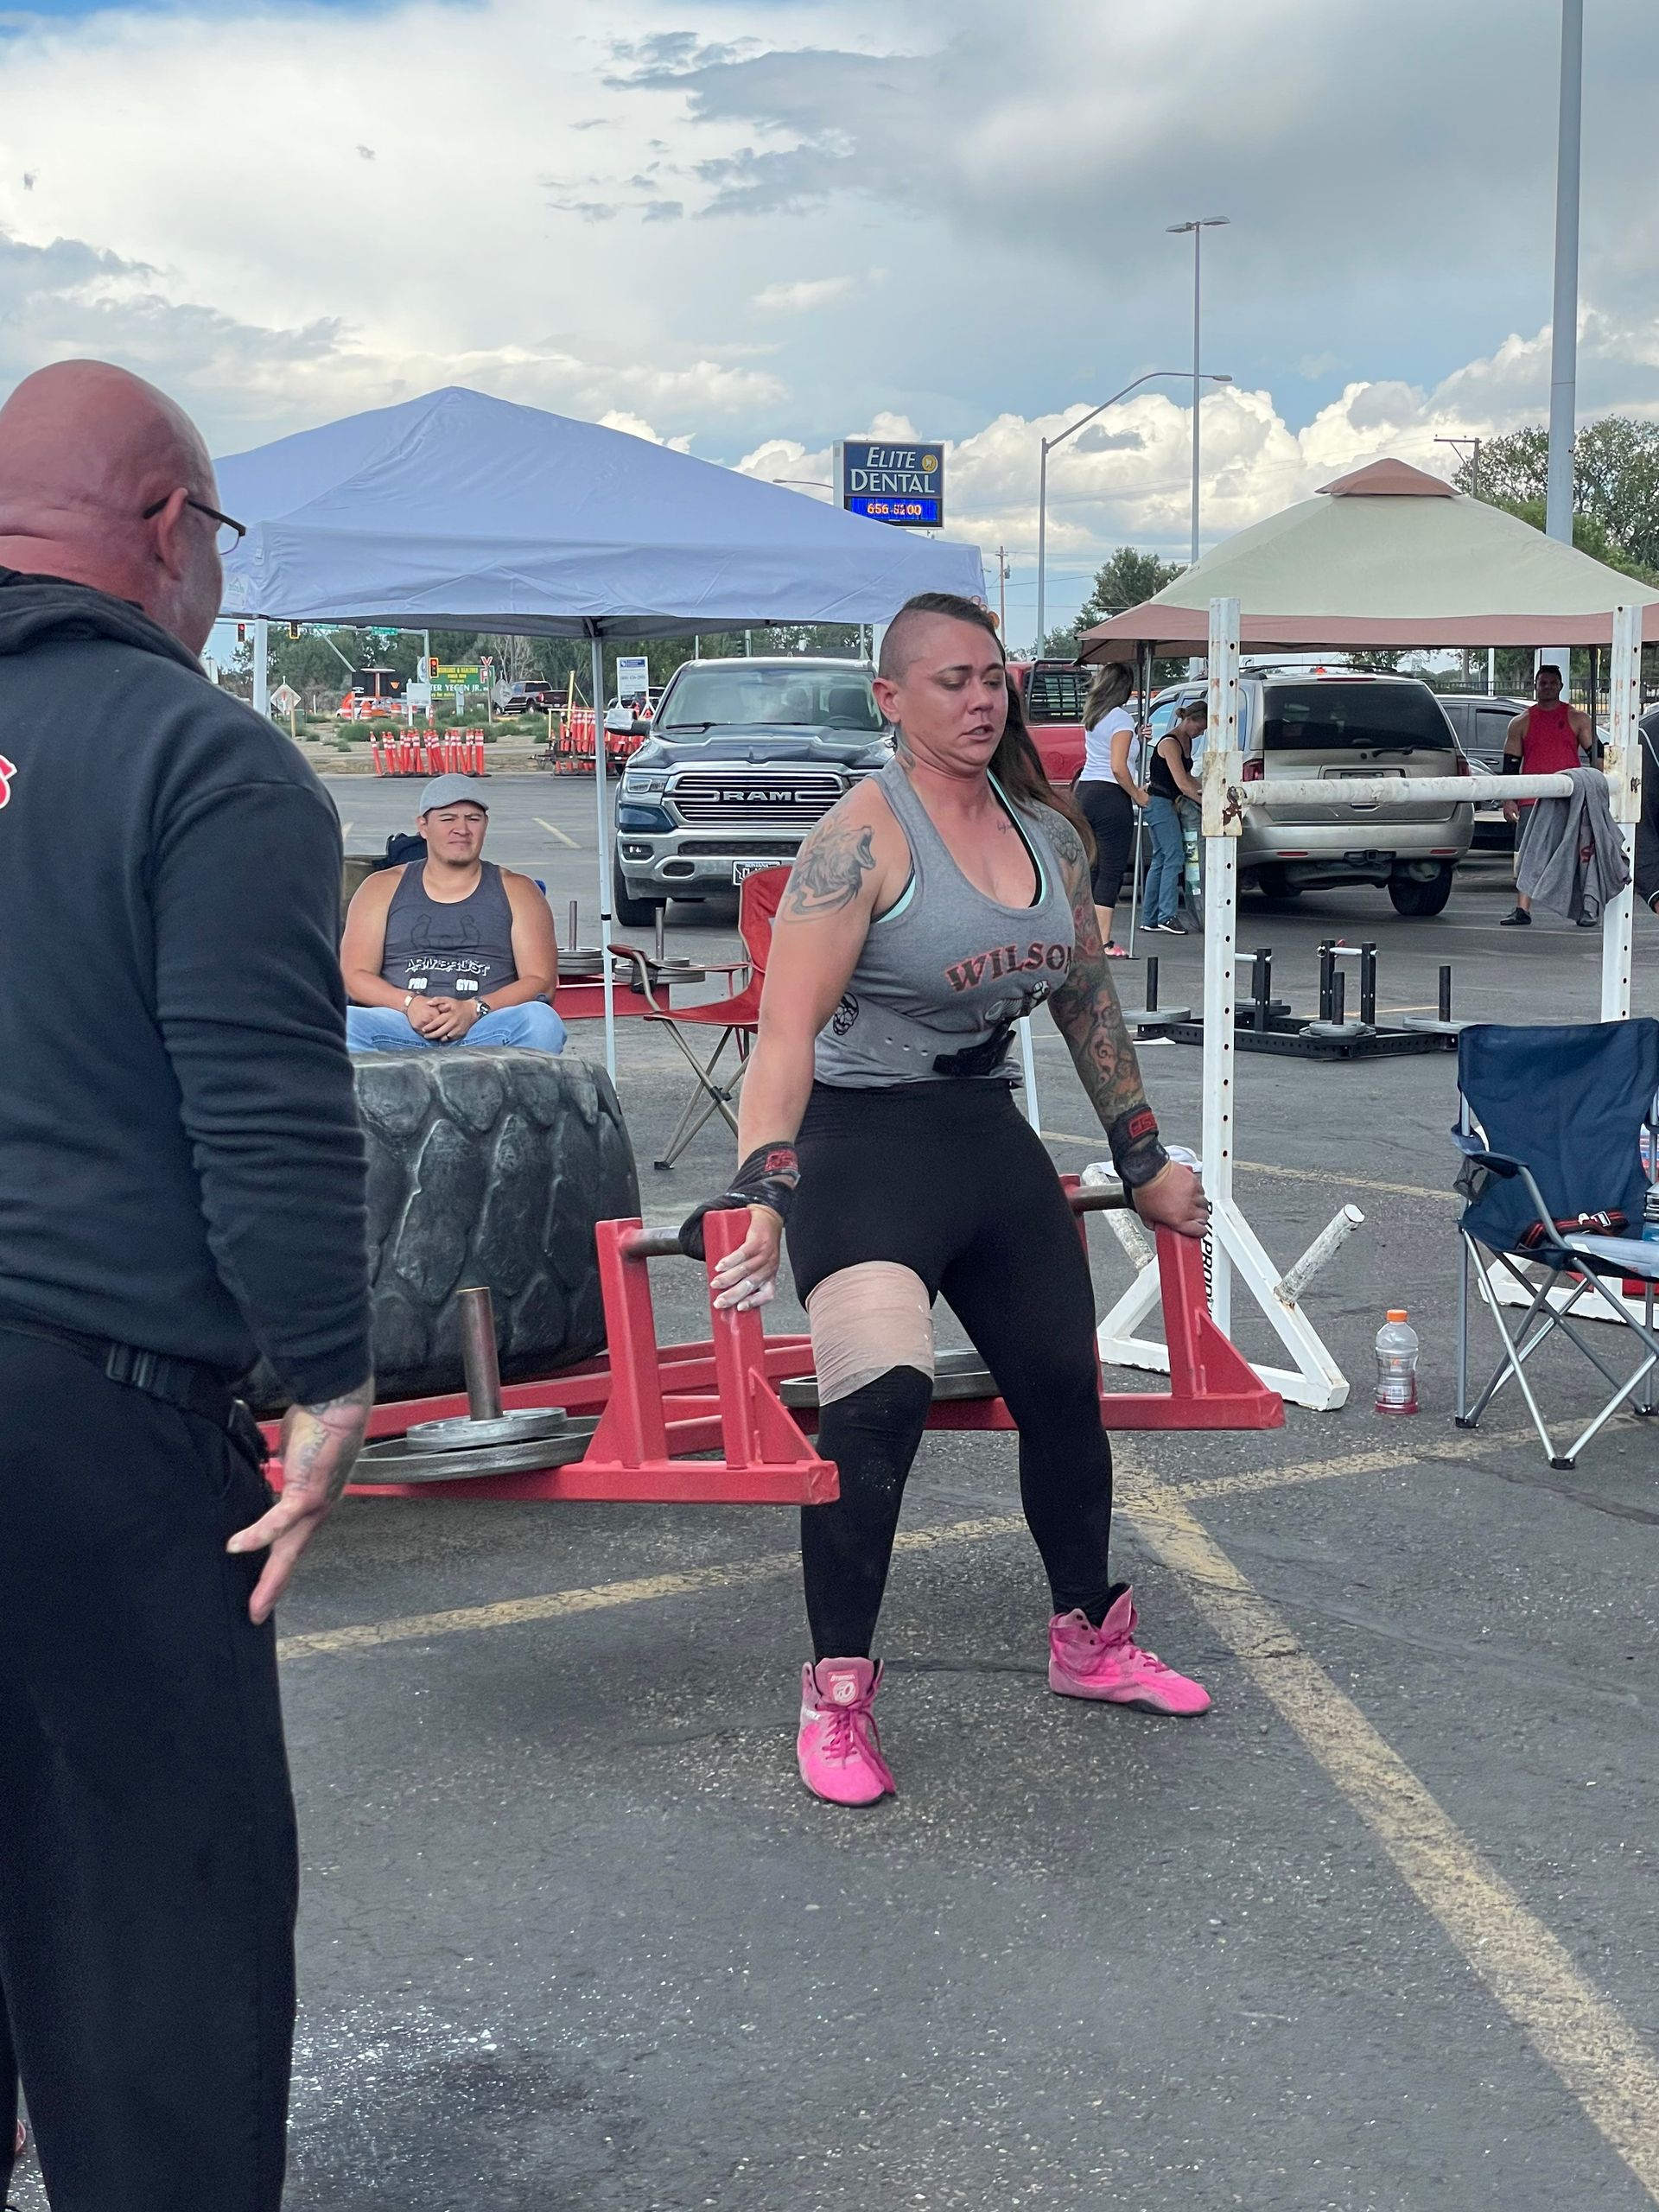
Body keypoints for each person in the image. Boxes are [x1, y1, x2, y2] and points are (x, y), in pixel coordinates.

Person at [0, 360, 372, 2209]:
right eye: (217, 538)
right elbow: (266, 1104)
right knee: (156, 1909)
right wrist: (328, 1382)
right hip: (93, 1414)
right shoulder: (201, 756)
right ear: (164, 528)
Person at [680, 590, 1212, 1809]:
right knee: (880, 1410)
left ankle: (1088, 1637)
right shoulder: (857, 842)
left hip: (983, 1138)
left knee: (1065, 1393)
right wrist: (765, 1188)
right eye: (950, 681)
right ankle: (837, 1695)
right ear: (892, 699)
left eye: (993, 677)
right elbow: (783, 1034)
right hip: (860, 1151)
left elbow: (1084, 999)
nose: (980, 700)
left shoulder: (1052, 832)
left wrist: (1142, 1157)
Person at [340, 773, 565, 1051]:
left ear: (485, 825)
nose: (462, 829)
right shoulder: (381, 887)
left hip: (486, 1025)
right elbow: (354, 975)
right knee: (340, 1025)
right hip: (400, 1024)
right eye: (448, 819)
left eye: (473, 818)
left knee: (541, 1021)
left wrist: (475, 1009)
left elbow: (541, 981)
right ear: (423, 826)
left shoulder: (520, 891)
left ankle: (509, 1094)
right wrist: (410, 1003)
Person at [1501, 662, 1596, 927]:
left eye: (1552, 683)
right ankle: (1523, 909)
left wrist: (1602, 793)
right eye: (1543, 683)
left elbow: (1597, 758)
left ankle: (1587, 909)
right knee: (1527, 853)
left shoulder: (1578, 719)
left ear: (1561, 686)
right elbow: (1510, 766)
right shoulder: (1520, 723)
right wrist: (1509, 799)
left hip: (1571, 796)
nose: (1547, 687)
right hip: (1532, 797)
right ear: (1536, 685)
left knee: (1581, 853)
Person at [1073, 660, 1145, 955]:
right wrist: (1138, 794)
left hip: (1085, 791)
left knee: (1091, 866)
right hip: (1111, 795)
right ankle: (1103, 941)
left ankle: (1083, 936)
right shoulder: (1121, 719)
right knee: (1111, 869)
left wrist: (1137, 738)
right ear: (1125, 690)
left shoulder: (1095, 715)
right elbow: (1118, 766)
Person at [1142, 699, 1206, 933]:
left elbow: (1190, 778)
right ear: (1189, 720)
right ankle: (1166, 915)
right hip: (1158, 802)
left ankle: (1149, 917)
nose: (1200, 733)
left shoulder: (1186, 741)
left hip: (1168, 802)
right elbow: (1182, 783)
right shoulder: (1169, 743)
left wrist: (1207, 786)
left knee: (1160, 858)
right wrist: (1206, 802)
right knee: (1174, 856)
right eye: (1199, 728)